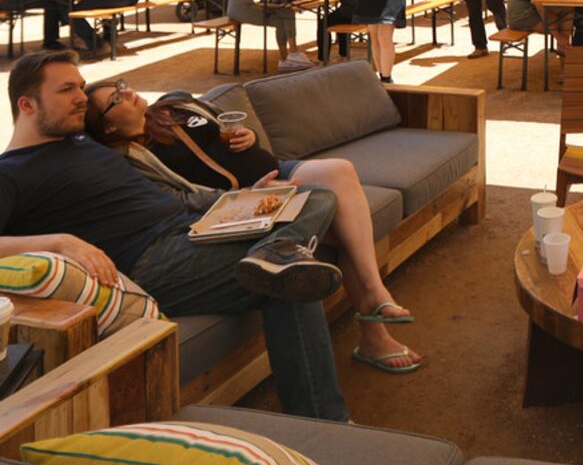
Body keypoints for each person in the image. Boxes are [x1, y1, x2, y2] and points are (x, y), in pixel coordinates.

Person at [0, 50, 350, 419]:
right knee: (293, 275)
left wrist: (238, 201)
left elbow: (151, 161)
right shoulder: (12, 173)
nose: (81, 98)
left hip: (196, 229)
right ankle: (327, 417)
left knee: (316, 198)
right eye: (67, 89)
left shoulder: (78, 141)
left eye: (82, 87)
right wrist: (60, 242)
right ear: (27, 104)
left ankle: (275, 256)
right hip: (152, 259)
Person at [83, 78, 422, 374]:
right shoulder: (130, 161)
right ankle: (374, 328)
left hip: (277, 171)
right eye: (116, 99)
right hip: (246, 199)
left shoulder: (174, 102)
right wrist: (244, 195)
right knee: (339, 208)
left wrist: (249, 136)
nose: (127, 94)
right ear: (108, 128)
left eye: (123, 86)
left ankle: (375, 310)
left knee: (340, 172)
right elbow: (181, 201)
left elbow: (230, 132)